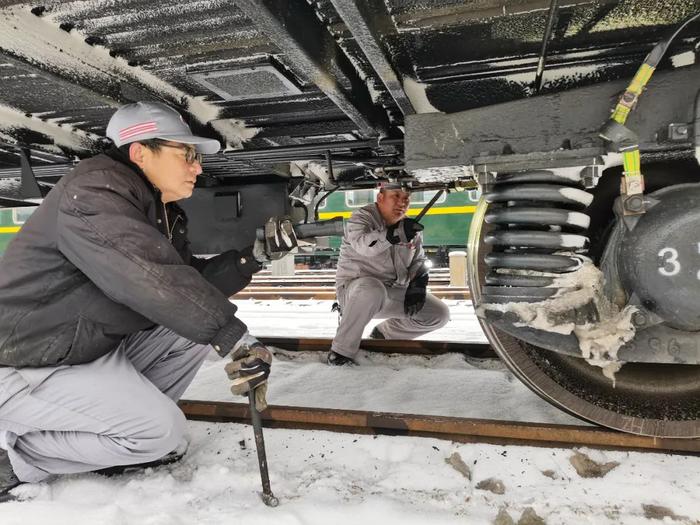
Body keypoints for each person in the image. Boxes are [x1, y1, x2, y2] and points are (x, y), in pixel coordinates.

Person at [0, 101, 284, 498]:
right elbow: (146, 275)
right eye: (186, 153)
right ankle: (16, 460)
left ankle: (123, 438)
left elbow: (189, 286)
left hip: (75, 351)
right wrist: (234, 337)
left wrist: (251, 257)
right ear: (139, 152)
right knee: (162, 431)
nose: (197, 167)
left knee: (186, 332)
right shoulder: (93, 191)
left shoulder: (155, 211)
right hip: (24, 363)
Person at [327, 182, 450, 366]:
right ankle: (340, 353)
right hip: (356, 294)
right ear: (380, 198)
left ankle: (384, 335)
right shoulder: (361, 219)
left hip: (390, 293)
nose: (402, 203)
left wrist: (419, 282)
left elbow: (419, 260)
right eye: (396, 196)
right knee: (371, 288)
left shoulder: (409, 229)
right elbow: (363, 245)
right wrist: (393, 234)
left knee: (439, 313)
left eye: (406, 198)